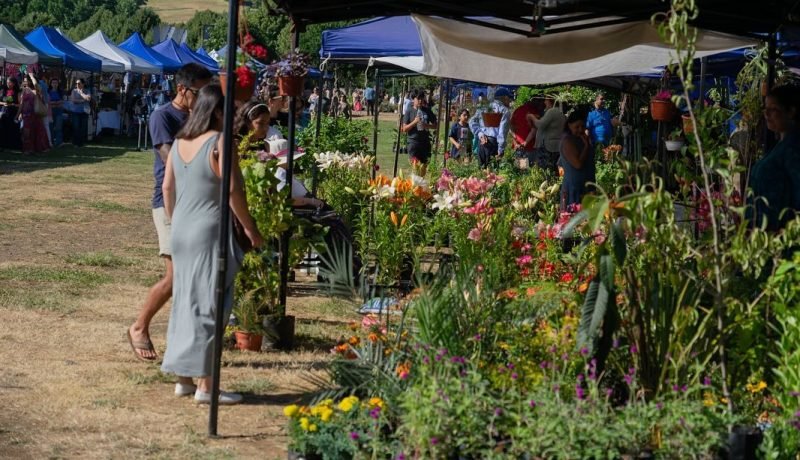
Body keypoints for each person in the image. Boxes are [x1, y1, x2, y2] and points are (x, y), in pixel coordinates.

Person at [161, 83, 264, 404]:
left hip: (181, 228)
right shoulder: (220, 142)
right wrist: (251, 230)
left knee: (185, 303)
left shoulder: (179, 143)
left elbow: (167, 187)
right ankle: (206, 385)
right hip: (209, 230)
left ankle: (184, 379)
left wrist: (177, 220)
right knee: (213, 305)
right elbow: (234, 191)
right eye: (230, 112)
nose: (234, 118)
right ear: (218, 111)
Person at [127, 63, 213, 362]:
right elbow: (171, 157)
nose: (203, 100)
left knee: (192, 274)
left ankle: (188, 339)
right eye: (199, 94)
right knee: (176, 275)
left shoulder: (201, 117)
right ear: (182, 89)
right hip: (169, 202)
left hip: (196, 201)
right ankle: (139, 327)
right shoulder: (162, 116)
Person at [748, 85, 800, 231]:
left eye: (774, 109)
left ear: (791, 111)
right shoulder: (780, 146)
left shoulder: (793, 149)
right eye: (766, 109)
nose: (766, 114)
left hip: (781, 238)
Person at [559, 110, 595, 211]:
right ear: (569, 125)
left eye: (582, 126)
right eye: (577, 127)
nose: (580, 129)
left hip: (586, 187)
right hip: (574, 189)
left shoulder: (581, 138)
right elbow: (578, 164)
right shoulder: (567, 141)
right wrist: (586, 146)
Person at [469, 87, 512, 168]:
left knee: (481, 174)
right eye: (509, 99)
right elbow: (502, 132)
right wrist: (501, 149)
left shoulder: (484, 107)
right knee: (492, 175)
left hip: (482, 142)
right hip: (493, 144)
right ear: (505, 98)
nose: (510, 101)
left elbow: (472, 121)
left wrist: (480, 133)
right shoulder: (504, 110)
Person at [401, 89, 438, 175]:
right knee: (415, 167)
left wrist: (427, 125)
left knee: (423, 168)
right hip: (413, 142)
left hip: (425, 143)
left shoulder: (427, 110)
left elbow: (436, 125)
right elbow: (404, 129)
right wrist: (414, 122)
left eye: (422, 99)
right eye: (418, 99)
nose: (420, 101)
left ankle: (421, 185)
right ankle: (415, 185)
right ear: (413, 99)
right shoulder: (409, 111)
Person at [527, 95, 566, 173]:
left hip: (548, 146)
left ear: (551, 101)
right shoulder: (558, 111)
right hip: (555, 145)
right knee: (554, 168)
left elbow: (540, 125)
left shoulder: (552, 111)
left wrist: (531, 117)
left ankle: (548, 182)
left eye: (546, 100)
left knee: (546, 169)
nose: (544, 102)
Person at [18, 74, 50, 155]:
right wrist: (19, 114)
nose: (25, 82)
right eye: (24, 80)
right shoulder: (24, 90)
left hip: (35, 114)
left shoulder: (36, 90)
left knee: (37, 132)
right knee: (27, 133)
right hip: (26, 115)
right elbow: (21, 103)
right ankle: (28, 150)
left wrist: (32, 76)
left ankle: (37, 149)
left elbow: (35, 84)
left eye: (26, 80)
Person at [510, 98, 540, 163]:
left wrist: (515, 138)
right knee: (530, 168)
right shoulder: (534, 111)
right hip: (530, 145)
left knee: (520, 168)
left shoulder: (517, 110)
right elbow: (534, 130)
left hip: (517, 144)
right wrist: (525, 143)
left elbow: (511, 126)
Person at [0, 76, 21, 151]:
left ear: (14, 83)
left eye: (10, 82)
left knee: (12, 129)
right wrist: (4, 103)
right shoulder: (3, 90)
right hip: (4, 111)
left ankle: (12, 146)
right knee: (3, 128)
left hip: (13, 112)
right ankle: (3, 145)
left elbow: (20, 104)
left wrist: (14, 105)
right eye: (7, 82)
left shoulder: (17, 92)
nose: (8, 84)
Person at [69, 79, 92, 146]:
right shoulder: (74, 91)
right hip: (76, 112)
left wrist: (81, 93)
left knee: (83, 128)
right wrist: (82, 100)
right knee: (76, 127)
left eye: (79, 83)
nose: (77, 85)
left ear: (83, 84)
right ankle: (75, 142)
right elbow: (73, 100)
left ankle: (81, 143)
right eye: (76, 83)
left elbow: (88, 99)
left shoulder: (87, 90)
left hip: (85, 111)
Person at [48, 78, 64, 148]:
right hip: (50, 111)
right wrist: (55, 102)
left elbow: (62, 102)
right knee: (50, 127)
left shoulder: (60, 92)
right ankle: (51, 142)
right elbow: (48, 102)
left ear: (58, 84)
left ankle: (59, 142)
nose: (54, 84)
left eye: (56, 83)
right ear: (51, 84)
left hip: (59, 111)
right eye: (53, 83)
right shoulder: (48, 92)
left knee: (58, 127)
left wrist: (54, 103)